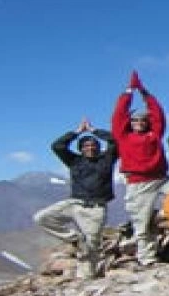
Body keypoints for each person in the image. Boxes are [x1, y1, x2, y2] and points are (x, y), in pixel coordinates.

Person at [33, 118, 118, 279]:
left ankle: (87, 276)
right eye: (86, 146)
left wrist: (94, 131)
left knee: (92, 246)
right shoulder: (74, 161)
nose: (90, 148)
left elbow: (115, 140)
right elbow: (57, 146)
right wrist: (77, 132)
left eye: (93, 145)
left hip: (96, 208)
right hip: (74, 203)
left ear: (99, 148)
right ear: (80, 149)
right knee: (42, 217)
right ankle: (75, 239)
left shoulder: (107, 159)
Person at [112, 71, 169, 266]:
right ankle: (147, 258)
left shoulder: (154, 134)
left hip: (162, 179)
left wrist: (145, 93)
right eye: (135, 121)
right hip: (138, 183)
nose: (139, 123)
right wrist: (129, 91)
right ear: (130, 123)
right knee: (142, 223)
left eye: (143, 121)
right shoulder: (123, 136)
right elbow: (119, 114)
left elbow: (158, 114)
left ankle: (166, 218)